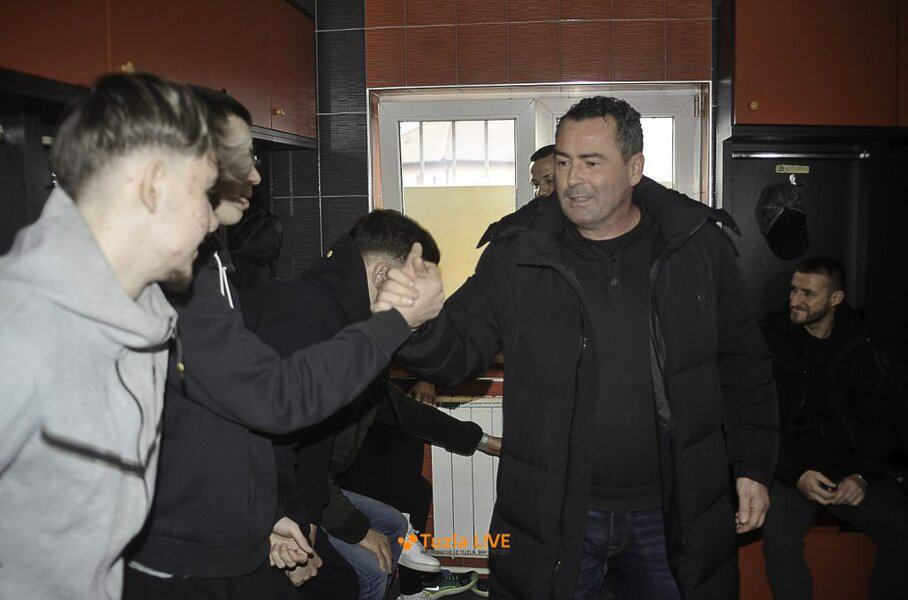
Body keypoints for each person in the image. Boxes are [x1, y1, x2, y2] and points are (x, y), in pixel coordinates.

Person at [390, 96, 778, 599]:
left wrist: (753, 467)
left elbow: (745, 365)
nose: (572, 179)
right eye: (564, 162)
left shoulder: (697, 247)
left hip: (673, 509)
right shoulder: (519, 252)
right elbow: (457, 351)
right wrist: (413, 322)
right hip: (556, 513)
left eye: (592, 162)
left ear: (634, 168)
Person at [124, 89, 444, 599]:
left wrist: (270, 517)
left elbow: (234, 406)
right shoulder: (157, 266)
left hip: (233, 524)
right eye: (240, 156)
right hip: (183, 546)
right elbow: (275, 400)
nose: (255, 175)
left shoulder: (206, 257)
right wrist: (396, 322)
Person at [0, 72, 219, 600]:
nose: (213, 221)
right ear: (153, 186)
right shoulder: (17, 330)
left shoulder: (147, 326)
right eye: (206, 193)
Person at [242, 210, 495, 600]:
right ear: (381, 275)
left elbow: (315, 441)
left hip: (290, 495)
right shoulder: (305, 316)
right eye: (412, 293)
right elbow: (273, 443)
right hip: (247, 500)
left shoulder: (339, 318)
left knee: (389, 525)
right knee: (354, 580)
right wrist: (297, 531)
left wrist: (309, 517)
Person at [760, 257, 908, 599]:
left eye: (808, 294)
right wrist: (795, 473)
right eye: (793, 290)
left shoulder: (863, 343)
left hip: (850, 469)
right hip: (794, 469)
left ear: (836, 298)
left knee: (902, 532)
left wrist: (862, 476)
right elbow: (760, 420)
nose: (795, 300)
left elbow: (882, 418)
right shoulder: (770, 340)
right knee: (779, 541)